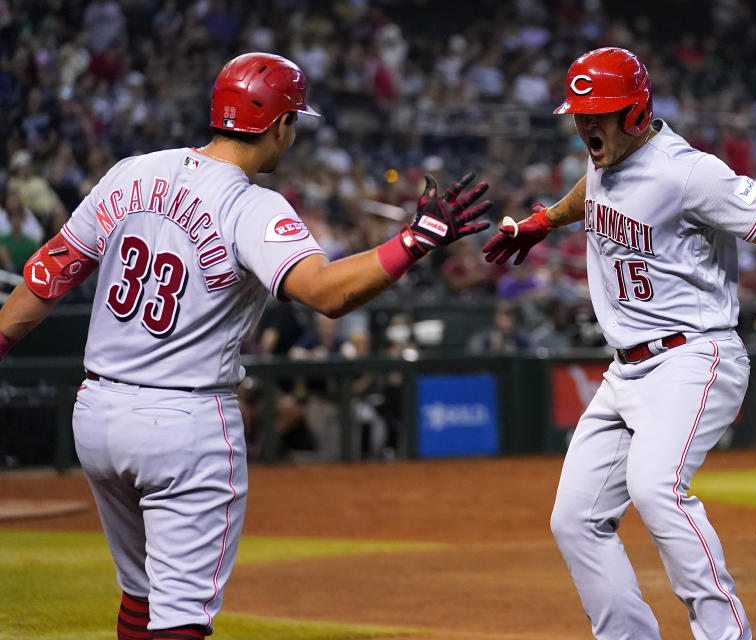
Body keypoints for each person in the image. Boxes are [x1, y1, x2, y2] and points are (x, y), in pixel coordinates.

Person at [0, 52, 489, 640]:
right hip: (184, 423)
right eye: (294, 122)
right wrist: (415, 239)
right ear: (280, 124)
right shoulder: (250, 204)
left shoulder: (132, 171)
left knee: (142, 594)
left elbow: (48, 275)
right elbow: (326, 294)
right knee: (179, 614)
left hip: (98, 413)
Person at [483, 47, 756, 640]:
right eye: (580, 112)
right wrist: (544, 220)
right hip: (625, 372)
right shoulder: (607, 161)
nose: (586, 124)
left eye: (599, 113)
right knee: (575, 519)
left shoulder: (689, 172)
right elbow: (595, 191)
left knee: (657, 488)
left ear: (636, 113)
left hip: (694, 356)